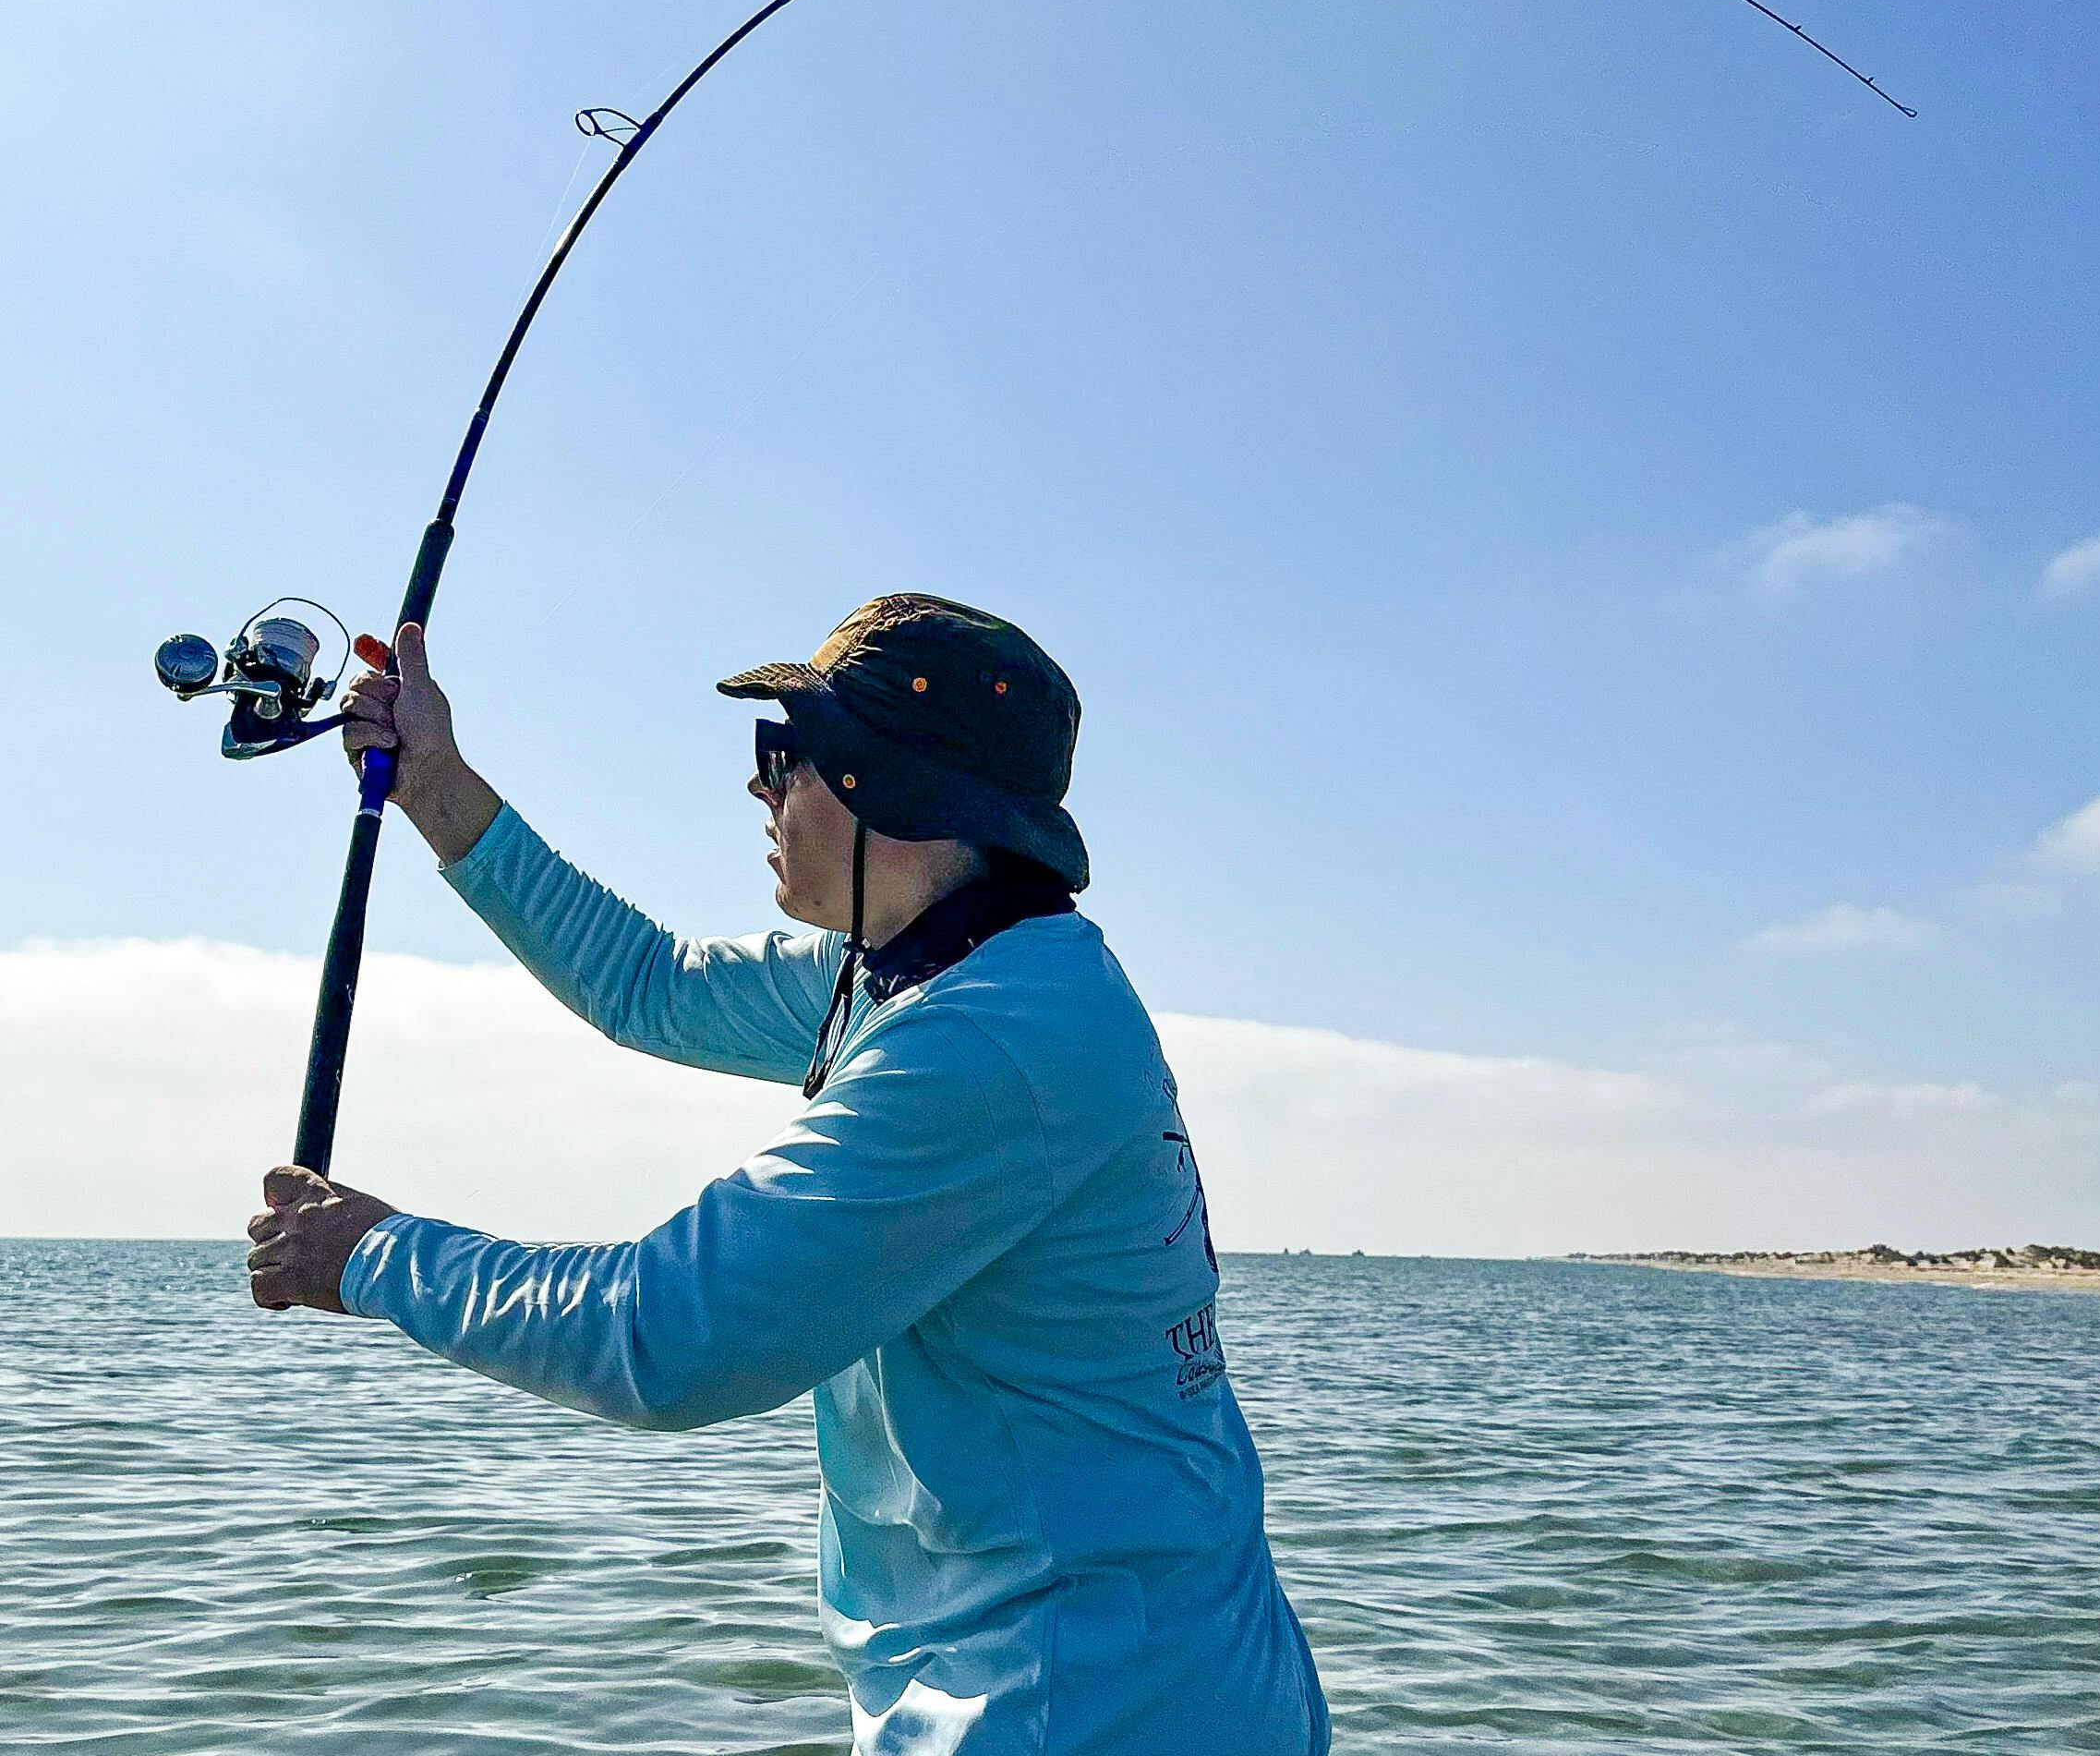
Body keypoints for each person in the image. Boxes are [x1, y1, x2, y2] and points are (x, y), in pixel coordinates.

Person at [247, 592, 1330, 1754]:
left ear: (890, 785)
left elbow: (667, 1334)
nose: (759, 786)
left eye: (786, 753)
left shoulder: (986, 1044)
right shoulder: (932, 968)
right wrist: (434, 785)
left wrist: (373, 1254)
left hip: (1080, 1705)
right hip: (1137, 1678)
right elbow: (646, 983)